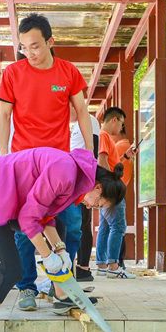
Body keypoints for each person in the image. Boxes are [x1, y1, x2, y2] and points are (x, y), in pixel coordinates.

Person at [0, 147, 126, 332]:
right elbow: (28, 219)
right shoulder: (66, 172)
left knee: (59, 228)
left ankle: (62, 293)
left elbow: (44, 216)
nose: (92, 206)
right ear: (98, 187)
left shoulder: (76, 178)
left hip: (0, 195)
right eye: (98, 204)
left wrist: (60, 250)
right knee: (9, 271)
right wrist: (48, 256)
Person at [0, 13, 93, 311]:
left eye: (35, 46)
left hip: (59, 166)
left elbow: (82, 112)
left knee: (72, 225)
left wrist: (89, 154)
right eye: (24, 47)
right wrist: (4, 158)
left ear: (51, 42)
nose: (30, 53)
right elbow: (4, 116)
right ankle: (26, 286)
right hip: (24, 164)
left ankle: (60, 286)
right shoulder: (13, 73)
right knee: (26, 227)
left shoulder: (68, 72)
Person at [94, 107, 137, 279]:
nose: (121, 128)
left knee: (105, 227)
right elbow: (102, 160)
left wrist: (125, 157)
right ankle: (113, 265)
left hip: (106, 187)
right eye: (121, 123)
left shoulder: (103, 136)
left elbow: (111, 162)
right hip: (111, 189)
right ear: (114, 120)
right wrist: (110, 185)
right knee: (118, 226)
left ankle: (102, 265)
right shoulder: (104, 136)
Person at [71, 105, 101, 282]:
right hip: (74, 181)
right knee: (76, 225)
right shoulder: (74, 126)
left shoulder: (89, 120)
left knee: (81, 224)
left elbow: (93, 152)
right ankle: (76, 268)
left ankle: (83, 268)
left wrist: (88, 183)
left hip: (83, 181)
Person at [114, 122, 135, 269]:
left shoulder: (118, 147)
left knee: (112, 227)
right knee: (118, 227)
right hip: (118, 190)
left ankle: (110, 263)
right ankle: (116, 263)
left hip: (114, 189)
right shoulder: (124, 146)